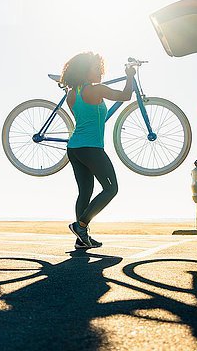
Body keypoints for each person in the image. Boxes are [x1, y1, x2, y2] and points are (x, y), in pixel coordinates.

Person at [60, 52, 136, 249]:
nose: (100, 73)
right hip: (91, 148)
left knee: (85, 192)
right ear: (86, 70)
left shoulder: (72, 93)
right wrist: (130, 76)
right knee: (111, 189)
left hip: (74, 149)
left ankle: (81, 239)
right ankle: (80, 225)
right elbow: (126, 96)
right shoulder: (96, 90)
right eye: (96, 68)